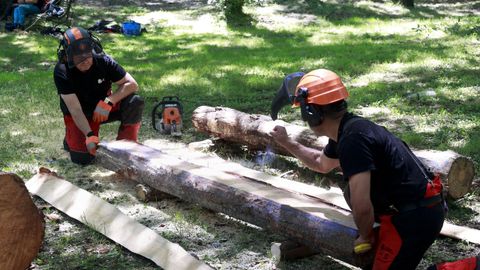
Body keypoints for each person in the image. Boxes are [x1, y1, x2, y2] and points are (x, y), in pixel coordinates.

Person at [269, 69, 446, 269]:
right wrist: (286, 142)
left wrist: (365, 237)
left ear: (312, 113)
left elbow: (362, 206)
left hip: (416, 218)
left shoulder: (352, 141)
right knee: (349, 191)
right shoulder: (349, 129)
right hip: (419, 207)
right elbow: (321, 162)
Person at [54, 26, 144, 165]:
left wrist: (109, 101)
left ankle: (127, 145)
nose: (84, 60)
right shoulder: (62, 71)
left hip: (103, 108)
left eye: (87, 54)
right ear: (67, 55)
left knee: (135, 101)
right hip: (81, 113)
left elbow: (132, 84)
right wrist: (89, 136)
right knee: (83, 159)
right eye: (78, 56)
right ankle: (71, 138)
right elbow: (75, 110)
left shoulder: (104, 61)